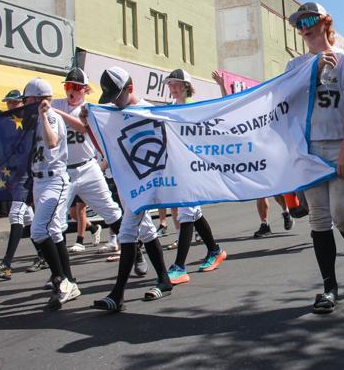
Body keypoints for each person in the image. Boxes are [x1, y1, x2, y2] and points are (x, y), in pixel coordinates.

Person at [286, 2, 344, 314]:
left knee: (343, 217)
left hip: (339, 145)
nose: (304, 27)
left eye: (310, 20)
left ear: (325, 22)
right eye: (299, 24)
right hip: (309, 150)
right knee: (318, 220)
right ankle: (329, 288)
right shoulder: (295, 66)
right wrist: (312, 71)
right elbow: (285, 104)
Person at [87, 67, 173, 312]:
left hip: (144, 184)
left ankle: (118, 294)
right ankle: (164, 280)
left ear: (130, 89)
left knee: (126, 233)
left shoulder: (148, 111)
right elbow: (104, 146)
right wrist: (88, 122)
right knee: (146, 231)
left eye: (117, 95)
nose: (114, 101)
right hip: (128, 184)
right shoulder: (114, 113)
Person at [162, 68, 227, 286]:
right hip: (178, 167)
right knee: (194, 213)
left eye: (176, 83)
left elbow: (225, 110)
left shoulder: (195, 106)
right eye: (170, 84)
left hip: (194, 167)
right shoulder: (169, 109)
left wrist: (222, 86)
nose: (172, 87)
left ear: (186, 86)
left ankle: (179, 267)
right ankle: (215, 250)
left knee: (186, 213)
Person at [210, 71, 294, 238]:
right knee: (259, 191)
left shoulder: (260, 113)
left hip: (265, 155)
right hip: (251, 158)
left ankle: (286, 212)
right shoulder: (238, 115)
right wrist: (221, 85)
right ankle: (265, 224)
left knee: (276, 190)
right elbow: (227, 106)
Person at [51, 68, 123, 257]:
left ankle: (134, 249)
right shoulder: (56, 103)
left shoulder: (88, 109)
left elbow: (83, 128)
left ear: (85, 90)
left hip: (88, 167)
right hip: (63, 170)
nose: (71, 91)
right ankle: (59, 270)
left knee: (111, 211)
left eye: (76, 87)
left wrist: (56, 112)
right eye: (68, 86)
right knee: (55, 219)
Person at [22, 78, 81, 309]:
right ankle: (70, 281)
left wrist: (45, 115)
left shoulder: (52, 117)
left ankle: (59, 279)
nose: (26, 103)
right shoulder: (30, 119)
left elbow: (52, 141)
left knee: (38, 230)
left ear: (37, 99)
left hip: (55, 180)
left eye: (28, 100)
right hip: (38, 181)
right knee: (54, 231)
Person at [0, 90, 47, 280]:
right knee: (28, 218)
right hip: (14, 174)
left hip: (28, 174)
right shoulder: (8, 123)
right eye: (8, 103)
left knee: (16, 214)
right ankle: (44, 255)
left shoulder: (32, 121)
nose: (10, 106)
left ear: (23, 103)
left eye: (14, 103)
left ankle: (6, 264)